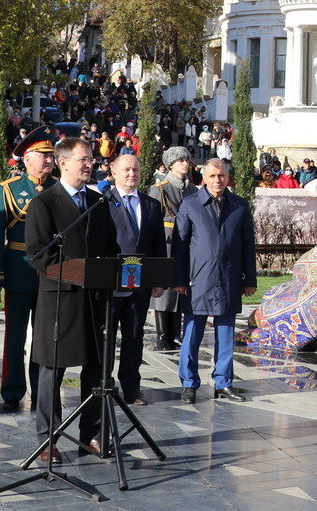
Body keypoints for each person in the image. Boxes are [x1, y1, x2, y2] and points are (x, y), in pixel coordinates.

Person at [25, 137, 121, 462]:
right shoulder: (44, 203)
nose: (89, 164)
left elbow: (111, 247)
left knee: (96, 371)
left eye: (91, 159)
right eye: (83, 159)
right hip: (61, 301)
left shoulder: (98, 202)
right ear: (63, 162)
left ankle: (91, 435)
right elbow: (39, 255)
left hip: (95, 302)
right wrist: (75, 272)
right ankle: (47, 440)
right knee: (52, 371)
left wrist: (114, 267)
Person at [173, 159, 256, 403]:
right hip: (197, 280)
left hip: (228, 278)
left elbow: (248, 245)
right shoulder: (190, 205)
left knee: (226, 333)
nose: (217, 180)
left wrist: (249, 279)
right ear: (204, 178)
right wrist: (179, 279)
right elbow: (180, 245)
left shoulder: (239, 205)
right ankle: (189, 383)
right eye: (213, 175)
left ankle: (223, 382)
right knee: (191, 334)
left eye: (221, 175)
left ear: (227, 178)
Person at [0, 126, 57, 411]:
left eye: (51, 156)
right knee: (15, 335)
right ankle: (12, 390)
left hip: (50, 274)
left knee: (44, 337)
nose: (49, 161)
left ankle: (41, 390)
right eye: (43, 155)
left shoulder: (58, 188)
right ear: (27, 158)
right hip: (17, 271)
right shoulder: (8, 189)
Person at [106, 154, 167, 405]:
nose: (132, 174)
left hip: (139, 287)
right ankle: (105, 386)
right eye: (127, 169)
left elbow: (158, 246)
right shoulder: (103, 202)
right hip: (110, 284)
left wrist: (159, 279)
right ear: (114, 172)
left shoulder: (151, 205)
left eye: (136, 169)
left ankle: (131, 388)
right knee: (107, 338)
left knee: (134, 337)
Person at [150, 146, 193, 351]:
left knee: (180, 285)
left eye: (187, 160)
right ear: (170, 164)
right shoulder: (160, 188)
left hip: (185, 243)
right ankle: (162, 333)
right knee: (165, 288)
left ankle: (176, 332)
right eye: (181, 160)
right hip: (166, 241)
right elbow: (153, 218)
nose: (185, 163)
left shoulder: (192, 189)